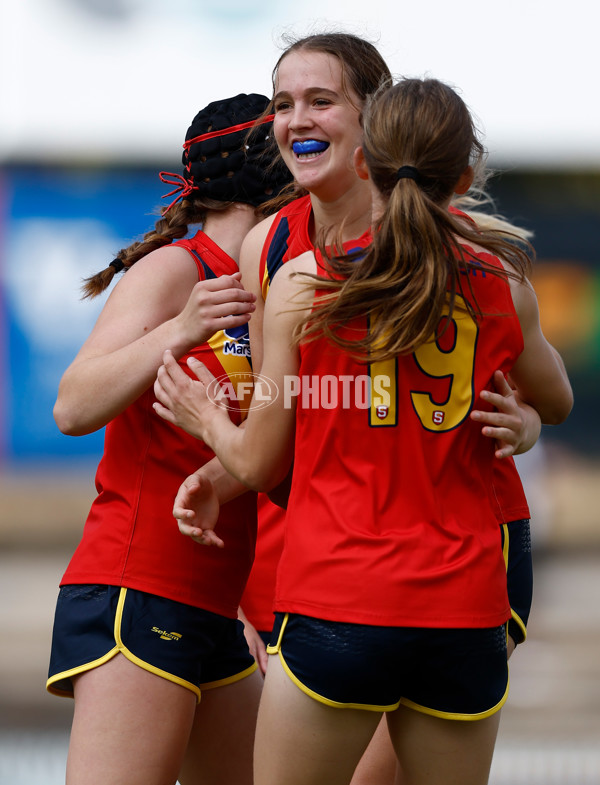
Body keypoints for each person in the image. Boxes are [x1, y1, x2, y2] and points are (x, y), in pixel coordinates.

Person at [153, 77, 573, 785]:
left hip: (338, 601)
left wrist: (203, 419)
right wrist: (526, 421)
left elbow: (256, 464)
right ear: (466, 175)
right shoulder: (503, 281)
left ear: (364, 165)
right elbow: (554, 401)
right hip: (464, 609)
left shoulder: (305, 283)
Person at [46, 93, 291, 785]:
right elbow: (72, 405)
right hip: (139, 588)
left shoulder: (265, 282)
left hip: (215, 605)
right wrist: (175, 331)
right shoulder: (177, 269)